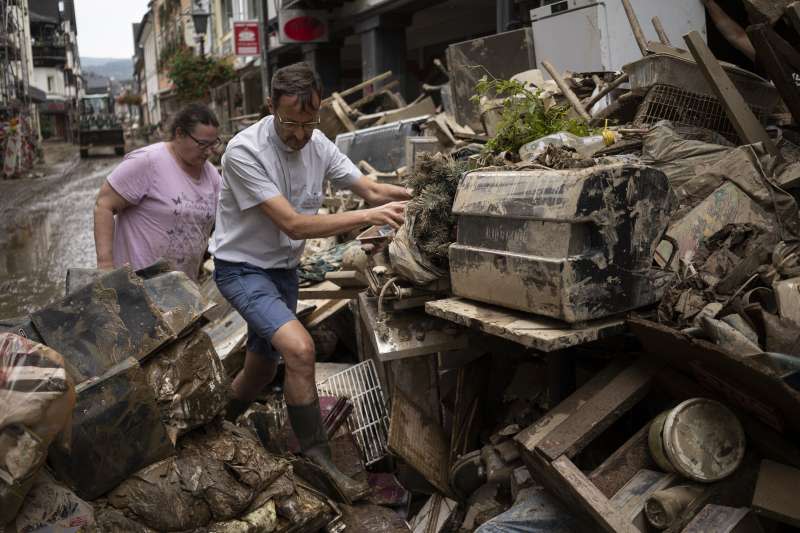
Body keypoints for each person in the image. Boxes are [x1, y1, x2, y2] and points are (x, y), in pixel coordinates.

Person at [210, 62, 411, 500]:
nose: (300, 134)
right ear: (270, 107)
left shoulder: (317, 141)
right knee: (300, 350)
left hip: (282, 271)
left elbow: (371, 190)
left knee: (261, 371)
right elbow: (295, 225)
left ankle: (212, 426)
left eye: (309, 121)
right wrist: (369, 216)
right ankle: (317, 457)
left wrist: (415, 194)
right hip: (242, 269)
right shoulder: (244, 152)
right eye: (290, 123)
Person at [94, 104, 222, 280]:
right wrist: (105, 267)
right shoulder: (148, 162)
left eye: (214, 143)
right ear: (179, 134)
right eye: (202, 144)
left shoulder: (212, 176)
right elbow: (104, 205)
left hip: (182, 288)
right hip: (137, 286)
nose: (210, 151)